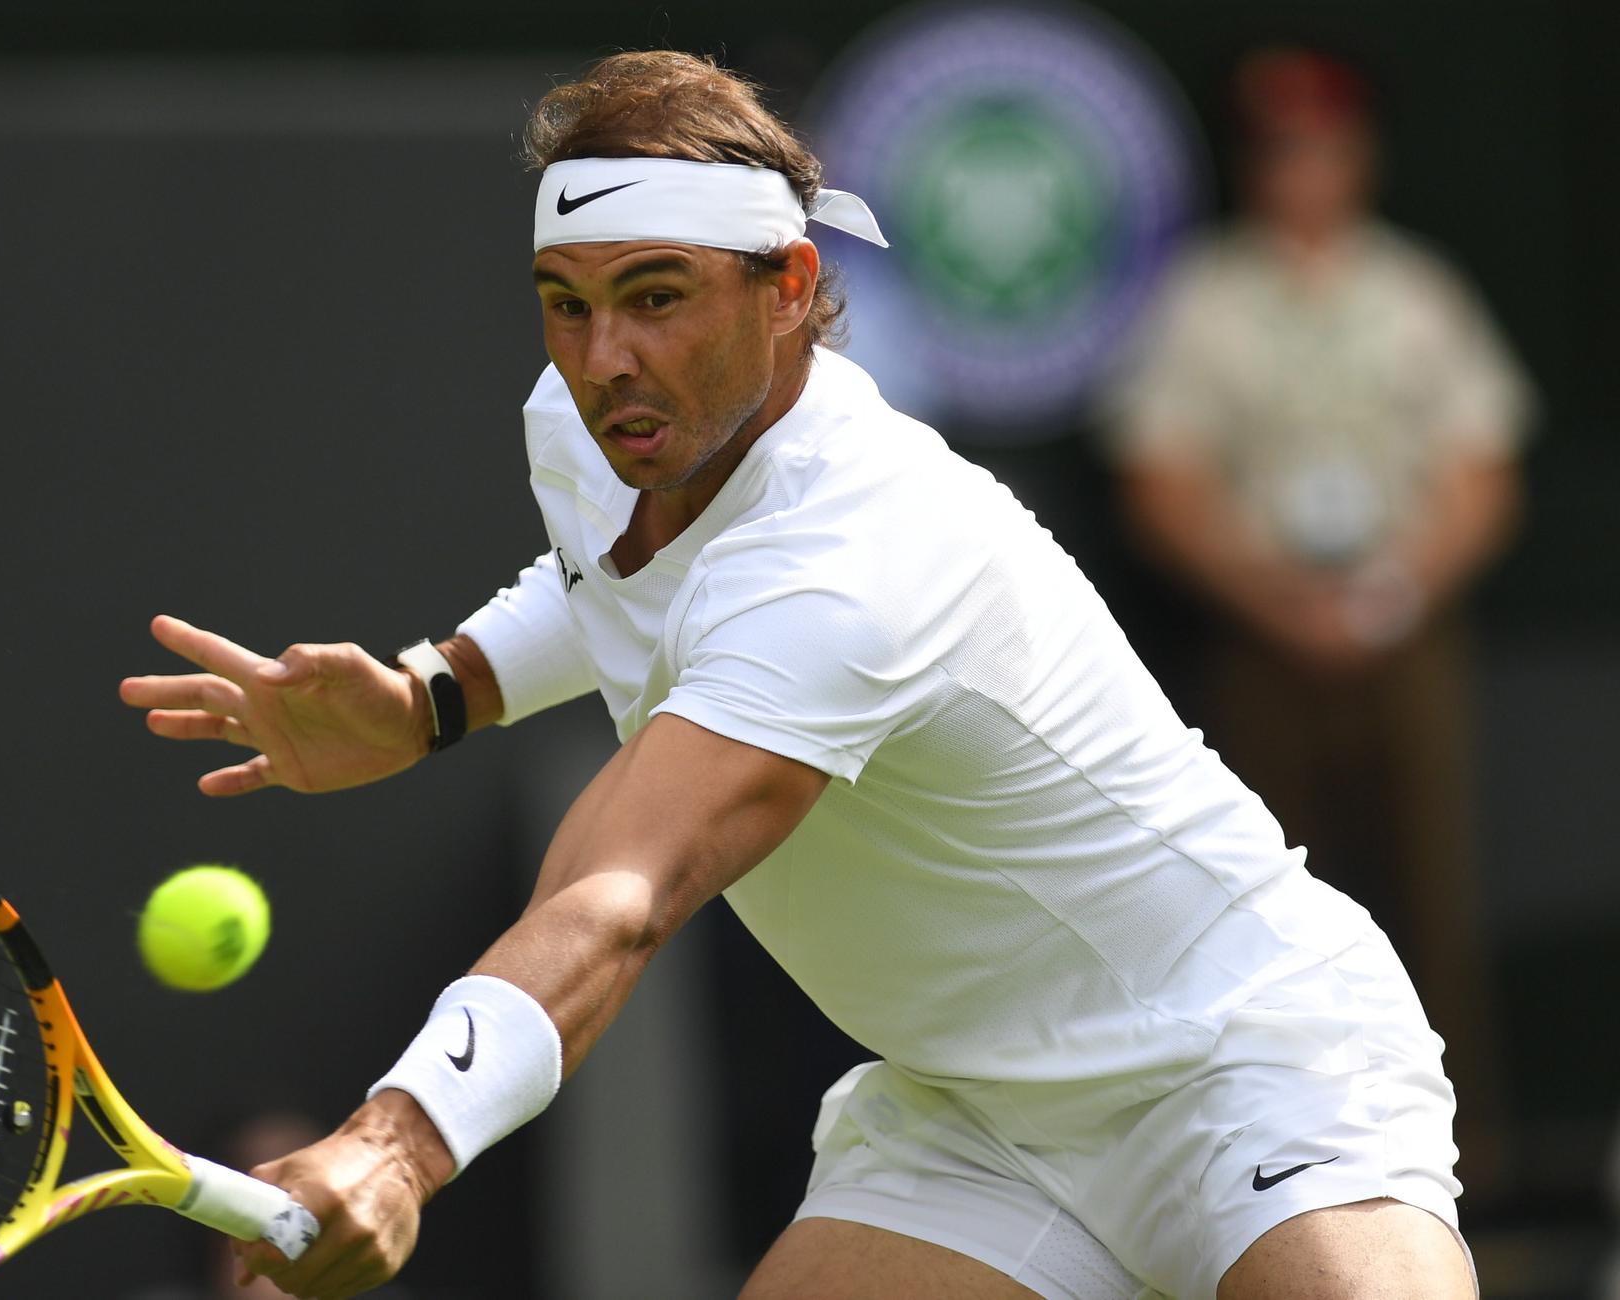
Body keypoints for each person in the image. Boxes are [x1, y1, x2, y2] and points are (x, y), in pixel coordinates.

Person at [120, 51, 1475, 1300]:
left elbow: (619, 894)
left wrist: (396, 1147)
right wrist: (436, 695)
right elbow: (614, 583)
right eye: (568, 306)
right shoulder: (601, 428)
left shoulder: (856, 557)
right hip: (973, 1120)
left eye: (657, 298)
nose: (606, 362)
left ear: (783, 288)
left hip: (1243, 1060)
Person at [1106, 47, 1531, 1193]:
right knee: (1265, 905)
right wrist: (1277, 599)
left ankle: (1457, 1173)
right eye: (1277, 150)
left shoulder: (1413, 292)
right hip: (1259, 643)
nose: (1301, 172)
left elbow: (1481, 469)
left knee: (1428, 896)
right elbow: (1161, 481)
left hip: (1405, 635)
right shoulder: (1204, 300)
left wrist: (1393, 589)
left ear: (1359, 157)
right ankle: (1282, 1174)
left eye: (1322, 147)